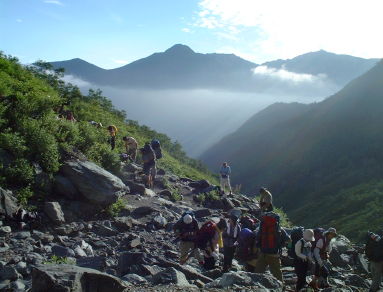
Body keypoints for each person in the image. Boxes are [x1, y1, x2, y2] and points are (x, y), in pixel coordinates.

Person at [254, 211, 291, 282]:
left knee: (258, 272)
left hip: (263, 253)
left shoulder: (262, 226)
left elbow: (258, 237)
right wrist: (281, 244)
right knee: (277, 274)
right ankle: (281, 287)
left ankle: (255, 286)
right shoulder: (279, 229)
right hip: (274, 255)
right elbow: (288, 240)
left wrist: (259, 247)